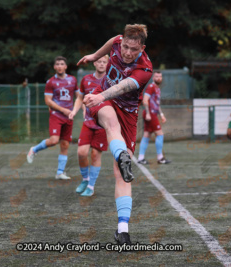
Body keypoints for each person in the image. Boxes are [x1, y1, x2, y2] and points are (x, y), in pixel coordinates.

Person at [77, 24, 153, 245]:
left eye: (134, 50)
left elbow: (122, 88)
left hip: (127, 112)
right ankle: (122, 155)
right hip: (105, 99)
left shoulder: (145, 69)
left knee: (121, 175)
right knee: (110, 122)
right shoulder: (119, 41)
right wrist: (94, 55)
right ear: (124, 42)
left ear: (142, 47)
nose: (128, 53)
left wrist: (101, 97)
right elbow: (112, 41)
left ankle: (123, 231)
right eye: (126, 47)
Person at [27, 56, 79, 179]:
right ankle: (34, 149)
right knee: (54, 140)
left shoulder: (72, 80)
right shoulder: (51, 82)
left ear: (65, 66)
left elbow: (79, 97)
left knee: (65, 144)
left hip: (69, 117)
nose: (60, 66)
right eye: (57, 64)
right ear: (54, 67)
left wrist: (77, 109)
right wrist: (63, 110)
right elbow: (48, 101)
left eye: (62, 64)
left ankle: (60, 173)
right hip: (56, 115)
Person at [68, 55, 109, 196]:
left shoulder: (111, 81)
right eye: (99, 61)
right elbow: (80, 97)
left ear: (108, 63)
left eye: (104, 62)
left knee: (95, 155)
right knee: (81, 153)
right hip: (88, 122)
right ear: (94, 63)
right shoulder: (86, 79)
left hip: (103, 125)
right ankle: (85, 179)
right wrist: (74, 111)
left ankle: (91, 186)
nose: (102, 64)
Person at [137, 71, 171, 165]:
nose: (158, 78)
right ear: (153, 78)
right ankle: (160, 158)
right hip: (150, 113)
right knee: (160, 134)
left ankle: (140, 158)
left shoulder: (157, 89)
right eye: (156, 76)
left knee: (147, 135)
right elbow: (145, 100)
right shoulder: (151, 87)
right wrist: (148, 113)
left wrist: (162, 114)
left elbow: (157, 104)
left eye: (160, 76)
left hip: (153, 113)